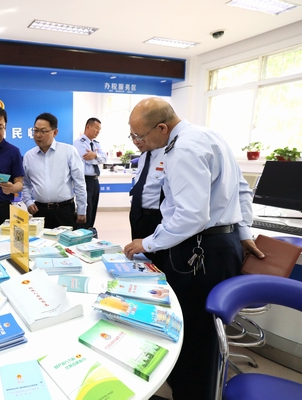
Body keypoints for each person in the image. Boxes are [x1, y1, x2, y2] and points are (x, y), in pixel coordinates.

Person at [122, 97, 264, 400]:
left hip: (199, 250)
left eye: (140, 135)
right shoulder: (209, 136)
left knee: (194, 330)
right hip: (220, 244)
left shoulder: (183, 149)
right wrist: (242, 232)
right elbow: (242, 190)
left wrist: (147, 243)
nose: (137, 141)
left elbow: (190, 216)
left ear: (162, 128)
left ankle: (193, 391)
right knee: (205, 329)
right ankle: (198, 385)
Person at [22, 112, 87, 229]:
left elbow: (79, 182)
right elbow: (25, 184)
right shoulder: (29, 156)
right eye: (35, 131)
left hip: (64, 210)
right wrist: (28, 202)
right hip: (39, 211)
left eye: (43, 131)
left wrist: (82, 209)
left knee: (65, 240)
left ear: (55, 132)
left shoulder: (68, 151)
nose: (38, 135)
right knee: (40, 240)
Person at [128, 134, 166, 270]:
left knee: (158, 260)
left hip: (155, 217)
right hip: (137, 213)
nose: (135, 141)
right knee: (140, 258)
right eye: (132, 137)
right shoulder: (144, 156)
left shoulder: (168, 154)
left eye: (138, 136)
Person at [73, 117, 107, 228]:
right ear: (88, 126)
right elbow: (87, 159)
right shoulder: (79, 143)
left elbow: (105, 159)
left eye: (99, 129)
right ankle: (82, 233)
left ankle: (89, 231)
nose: (98, 131)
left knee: (93, 210)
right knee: (86, 210)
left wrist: (95, 155)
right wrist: (97, 158)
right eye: (96, 128)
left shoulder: (96, 143)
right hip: (85, 180)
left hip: (95, 180)